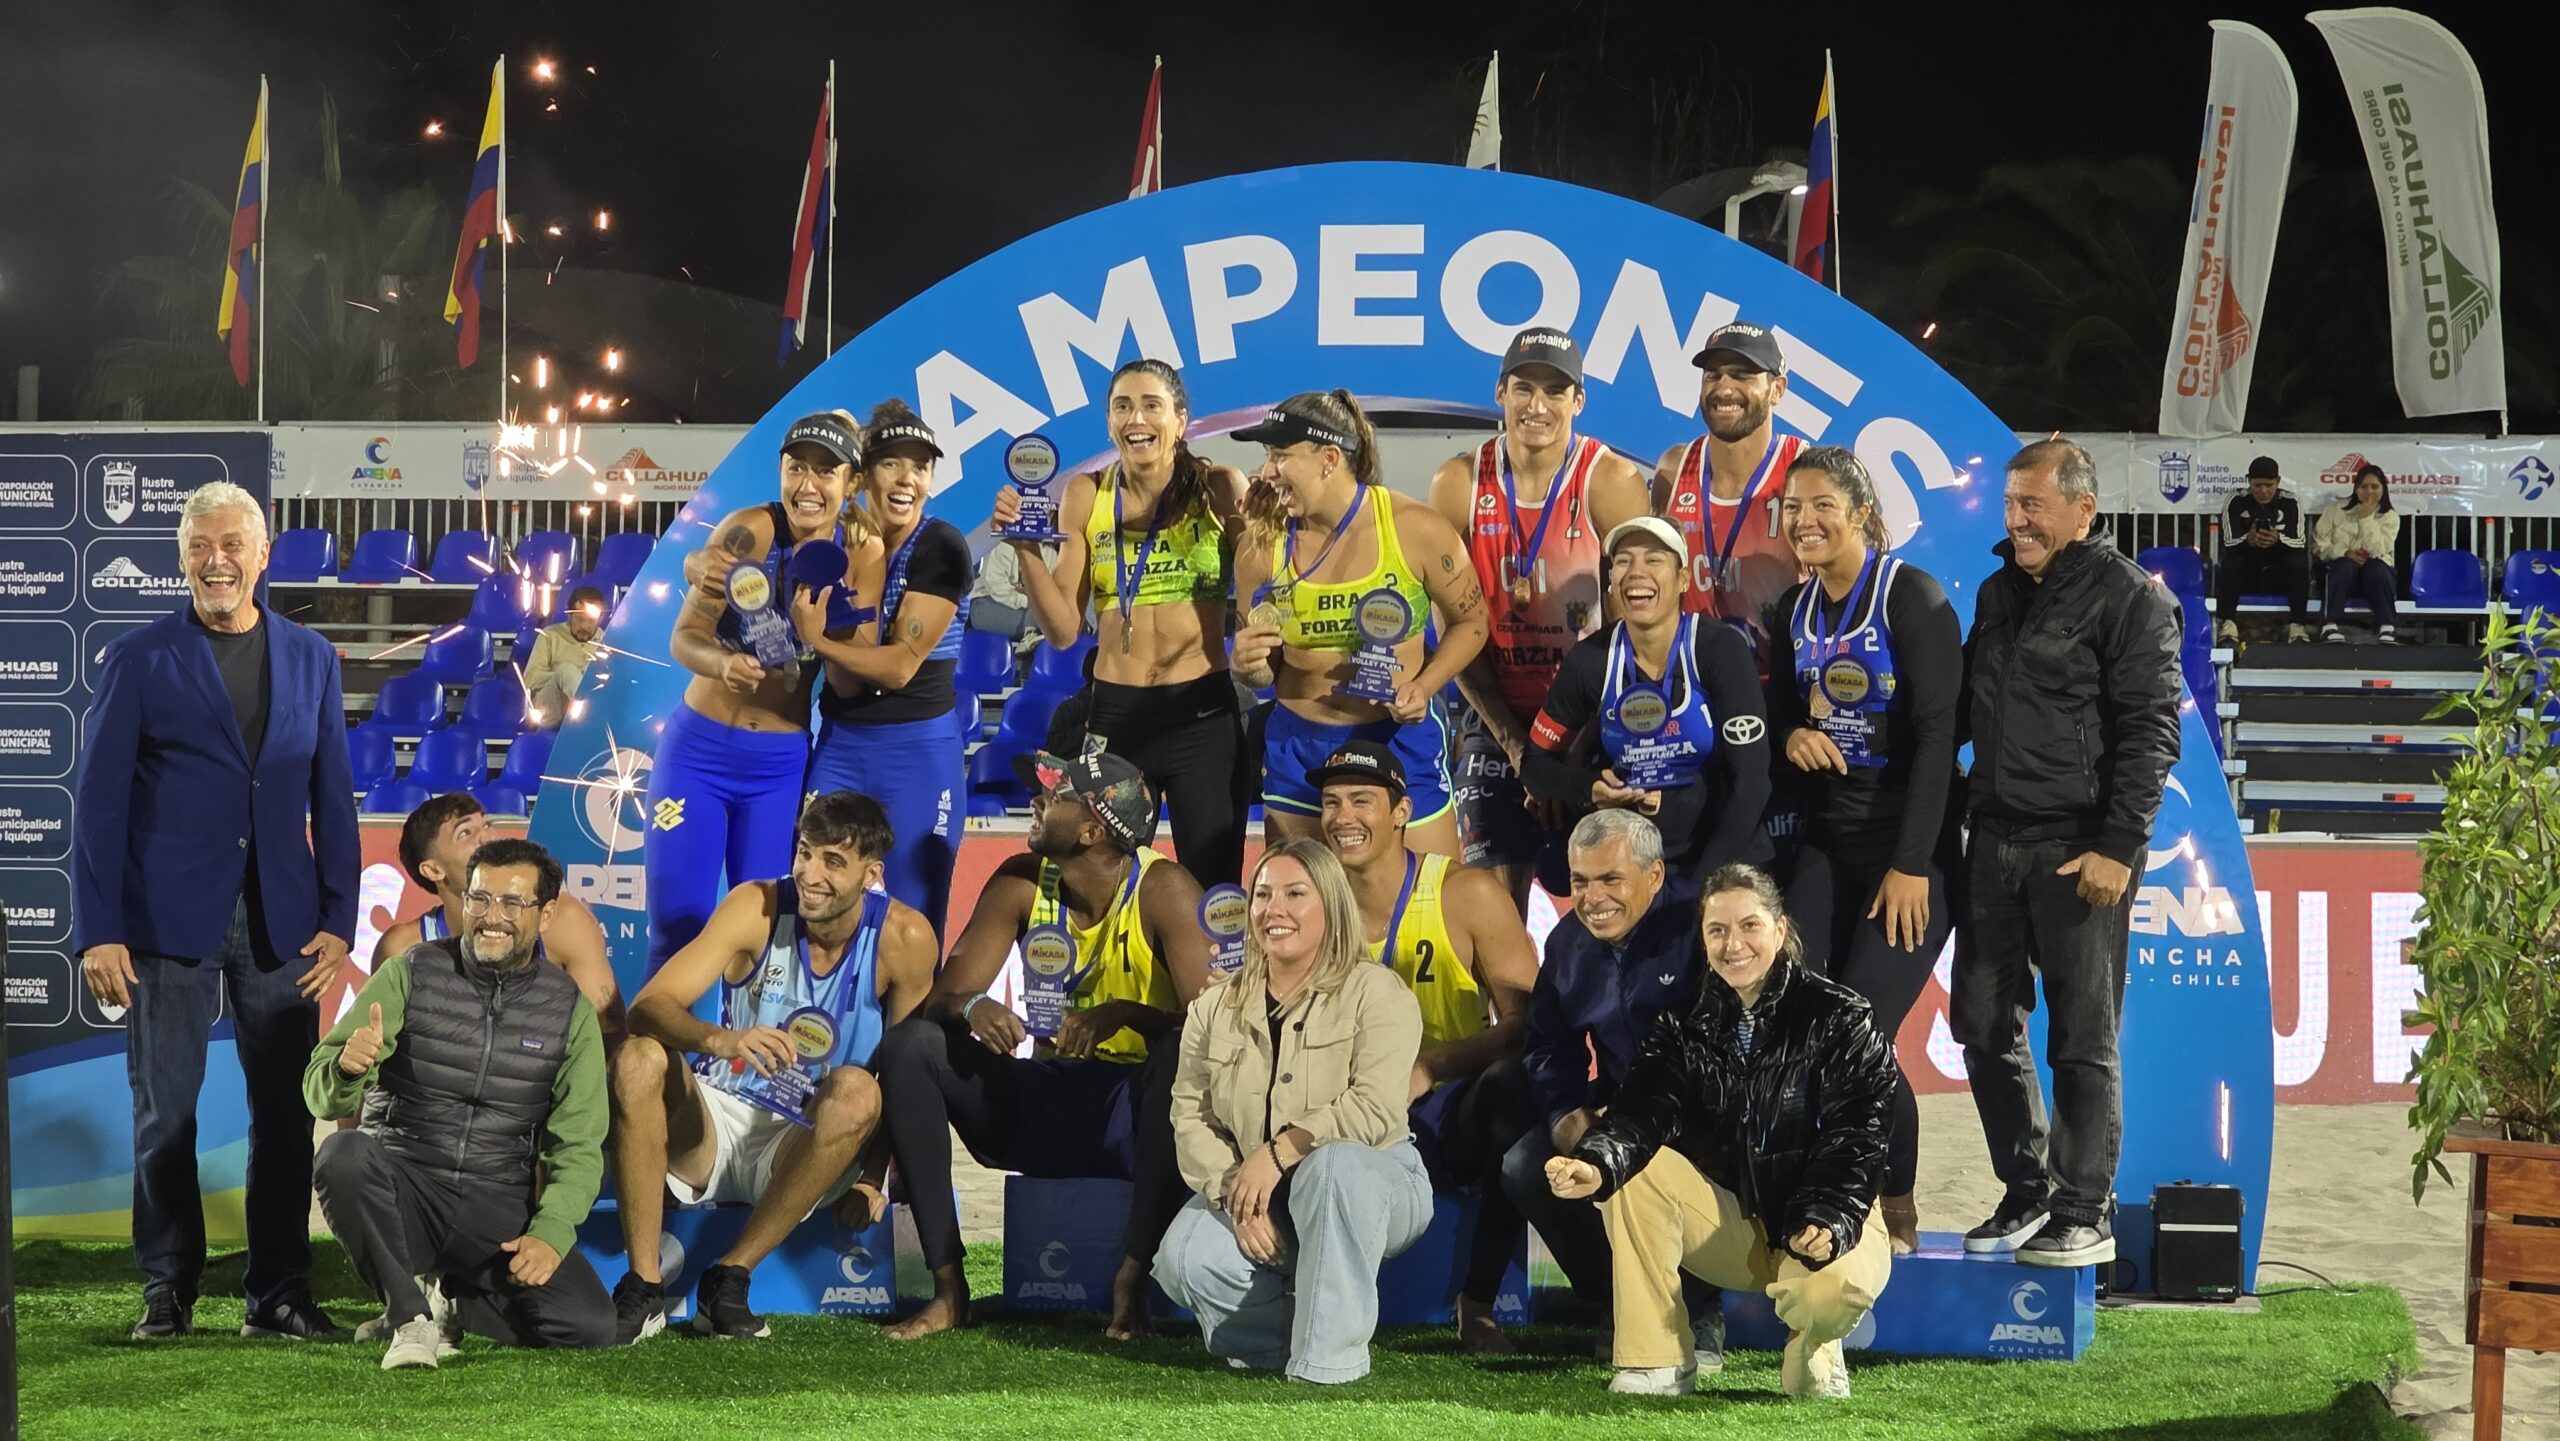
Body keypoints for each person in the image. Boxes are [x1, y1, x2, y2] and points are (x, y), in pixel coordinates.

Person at [73, 479, 357, 1341]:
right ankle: (168, 1286)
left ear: (264, 555)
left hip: (285, 925)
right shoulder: (140, 657)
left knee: (284, 1114)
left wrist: (340, 919)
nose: (217, 560)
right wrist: (101, 930)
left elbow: (332, 797)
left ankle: (277, 1292)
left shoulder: (313, 657)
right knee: (167, 1113)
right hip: (163, 927)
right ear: (183, 558)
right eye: (200, 545)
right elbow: (98, 806)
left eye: (233, 544)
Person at [873, 749, 1212, 1340]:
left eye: (1054, 796)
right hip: (1047, 1102)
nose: (1035, 802)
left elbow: (1215, 1029)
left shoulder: (1167, 889)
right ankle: (950, 1291)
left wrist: (1127, 1015)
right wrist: (975, 1006)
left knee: (1180, 1058)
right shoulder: (1021, 881)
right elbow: (943, 997)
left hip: (1138, 1119)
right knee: (913, 1045)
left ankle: (1132, 1280)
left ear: (1092, 830)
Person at [1546, 864, 1896, 1400]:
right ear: (1703, 939)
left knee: (1832, 1294)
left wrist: (1827, 1215)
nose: (1734, 944)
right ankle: (1657, 1359)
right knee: (1635, 1176)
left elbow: (1858, 1136)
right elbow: (1641, 1110)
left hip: (1826, 1220)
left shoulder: (1843, 1017)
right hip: (1734, 1228)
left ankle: (1814, 1346)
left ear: (1780, 930)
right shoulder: (1681, 1022)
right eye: (1717, 930)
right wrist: (1595, 1163)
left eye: (1749, 926)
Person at [1956, 437, 2181, 1268]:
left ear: (2083, 509)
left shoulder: (2131, 600)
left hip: (2078, 850)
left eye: (2033, 506)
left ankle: (2085, 1207)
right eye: (2011, 505)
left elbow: (2153, 732)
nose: (2017, 521)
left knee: (2082, 1038)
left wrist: (2117, 848)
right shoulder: (1995, 592)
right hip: (1994, 842)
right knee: (1980, 1024)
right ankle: (2027, 1192)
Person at [605, 792, 939, 1342]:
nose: (810, 873)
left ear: (871, 875)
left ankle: (730, 1278)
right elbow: (648, 1007)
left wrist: (875, 1178)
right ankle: (643, 1286)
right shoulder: (754, 906)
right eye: (805, 852)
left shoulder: (903, 938)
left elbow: (908, 1075)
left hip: (808, 1140)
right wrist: (721, 1038)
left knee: (857, 1089)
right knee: (639, 1056)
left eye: (833, 862)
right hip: (717, 1121)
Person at [307, 839, 615, 1368]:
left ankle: (450, 1300)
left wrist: (550, 1232)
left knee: (590, 1326)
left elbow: (580, 1144)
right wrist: (345, 1069)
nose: (492, 918)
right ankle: (408, 1317)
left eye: (512, 904)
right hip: (408, 1188)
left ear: (546, 915)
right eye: (480, 899)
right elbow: (318, 1086)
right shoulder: (410, 972)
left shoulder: (569, 1010)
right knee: (343, 1155)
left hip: (495, 1208)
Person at [1765, 446, 1965, 1253]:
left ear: (1860, 514)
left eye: (1820, 506)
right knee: (1805, 1028)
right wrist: (1794, 734)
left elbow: (1938, 735)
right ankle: (1819, 1203)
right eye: (1792, 508)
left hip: (1906, 855)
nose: (1804, 521)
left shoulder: (1911, 596)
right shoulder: (1792, 609)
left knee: (1856, 1036)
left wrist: (1913, 863)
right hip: (1824, 847)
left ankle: (1900, 1205)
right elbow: (1779, 713)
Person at [1155, 841, 1430, 1385]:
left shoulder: (1378, 992)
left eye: (1295, 894)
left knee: (1333, 1170)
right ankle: (1279, 1343)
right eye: (1262, 895)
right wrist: (1235, 1191)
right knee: (1184, 1257)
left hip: (1375, 1178)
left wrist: (1279, 1153)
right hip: (1261, 1188)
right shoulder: (1213, 1006)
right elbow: (1190, 1115)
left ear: (1330, 905)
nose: (1272, 910)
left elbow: (1375, 1106)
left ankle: (1327, 1369)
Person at [1312, 741, 1540, 1353]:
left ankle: (1479, 1305)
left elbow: (1527, 1026)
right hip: (1336, 1110)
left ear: (1402, 811)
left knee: (1512, 1090)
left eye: (1362, 800)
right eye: (1331, 803)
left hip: (1441, 1108)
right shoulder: (1305, 900)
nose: (1342, 817)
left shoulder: (1465, 894)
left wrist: (1431, 1064)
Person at [993, 359, 1253, 887]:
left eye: (1152, 405)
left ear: (1181, 420)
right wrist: (1024, 549)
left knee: (1212, 887)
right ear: (1109, 421)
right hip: (1116, 717)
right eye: (1123, 406)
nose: (1137, 418)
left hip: (1200, 716)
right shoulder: (1087, 494)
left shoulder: (1221, 488)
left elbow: (1260, 589)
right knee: (1101, 883)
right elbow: (1065, 630)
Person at [1429, 328, 1650, 904]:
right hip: (1494, 713)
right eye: (1524, 388)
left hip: (1590, 719)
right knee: (1491, 902)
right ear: (1500, 392)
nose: (1537, 406)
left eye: (1555, 392)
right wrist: (1519, 748)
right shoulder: (1456, 483)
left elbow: (1634, 635)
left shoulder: (1611, 481)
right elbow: (1455, 630)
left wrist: (1562, 758)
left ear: (1579, 401)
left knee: (1606, 898)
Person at [1497, 810, 1722, 1366]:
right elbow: (1549, 1044)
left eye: (1610, 880)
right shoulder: (1568, 943)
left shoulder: (1704, 926)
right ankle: (1616, 1299)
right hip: (1619, 1100)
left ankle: (1697, 1307)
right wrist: (1566, 1115)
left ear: (1654, 876)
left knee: (1674, 1159)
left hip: (1702, 1109)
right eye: (1579, 882)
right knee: (1525, 1167)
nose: (1593, 898)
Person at [649, 411, 868, 972]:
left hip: (777, 769)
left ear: (852, 483)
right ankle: (659, 1059)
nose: (808, 486)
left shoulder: (861, 551)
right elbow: (684, 638)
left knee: (767, 937)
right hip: (698, 755)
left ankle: (738, 1059)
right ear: (780, 471)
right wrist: (722, 663)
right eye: (797, 468)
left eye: (826, 473)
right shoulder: (752, 530)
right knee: (679, 927)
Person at [1230, 390, 1488, 857]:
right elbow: (1262, 667)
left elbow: (1472, 622)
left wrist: (1425, 686)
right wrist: (1249, 667)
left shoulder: (1416, 528)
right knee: (1308, 913)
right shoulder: (1260, 545)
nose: (1268, 471)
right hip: (1301, 745)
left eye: (1281, 456)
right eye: (1268, 456)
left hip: (1397, 739)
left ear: (1329, 458)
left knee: (1432, 901)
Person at [798, 399, 972, 938]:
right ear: (863, 473)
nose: (907, 479)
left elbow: (899, 669)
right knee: (816, 900)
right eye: (892, 462)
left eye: (920, 467)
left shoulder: (942, 544)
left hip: (918, 752)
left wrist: (816, 640)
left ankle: (915, 1027)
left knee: (916, 919)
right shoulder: (837, 540)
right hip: (843, 743)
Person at [1522, 516, 1772, 880]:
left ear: (1683, 579)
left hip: (1722, 858)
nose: (1636, 572)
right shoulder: (1592, 659)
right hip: (1636, 867)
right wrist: (1588, 787)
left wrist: (1710, 884)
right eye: (1623, 561)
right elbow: (1534, 764)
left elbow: (1752, 781)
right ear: (1610, 580)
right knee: (1566, 934)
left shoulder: (1718, 648)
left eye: (1654, 559)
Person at [376, 791, 624, 1047]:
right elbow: (381, 1047)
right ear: (433, 870)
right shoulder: (403, 949)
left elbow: (604, 1033)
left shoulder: (563, 919)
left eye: (486, 825)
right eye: (466, 833)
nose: (487, 836)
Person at [1651, 321, 1808, 659]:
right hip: (1693, 686)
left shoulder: (1806, 472)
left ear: (1777, 389)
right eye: (1713, 375)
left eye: (1741, 375)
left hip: (1779, 689)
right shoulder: (1673, 467)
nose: (1723, 388)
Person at [2214, 455, 2311, 644]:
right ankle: (2228, 623)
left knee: (2298, 564)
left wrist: (2278, 540)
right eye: (2257, 485)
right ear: (2249, 481)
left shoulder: (2291, 502)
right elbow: (2228, 542)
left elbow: (2299, 542)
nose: (2264, 491)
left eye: (2269, 485)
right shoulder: (2235, 500)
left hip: (2278, 572)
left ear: (2278, 481)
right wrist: (2248, 541)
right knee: (2230, 563)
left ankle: (2297, 625)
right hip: (2247, 572)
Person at [2314, 463, 2400, 644]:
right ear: (2356, 488)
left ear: (2383, 489)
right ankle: (2329, 625)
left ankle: (2387, 627)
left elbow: (2379, 550)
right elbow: (2319, 545)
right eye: (2364, 487)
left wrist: (2367, 518)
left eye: (2375, 487)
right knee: (2344, 566)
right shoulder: (2335, 510)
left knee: (2378, 568)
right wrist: (2345, 553)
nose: (2369, 492)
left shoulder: (2390, 516)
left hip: (2373, 577)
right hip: (2343, 576)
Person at [521, 585, 607, 726]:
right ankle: (591, 718)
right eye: (580, 619)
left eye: (591, 621)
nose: (585, 626)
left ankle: (588, 716)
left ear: (600, 618)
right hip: (551, 708)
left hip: (593, 702)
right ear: (569, 615)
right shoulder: (549, 635)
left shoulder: (606, 641)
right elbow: (530, 678)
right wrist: (561, 678)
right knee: (566, 671)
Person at [964, 538, 1056, 647]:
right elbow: (996, 587)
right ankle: (1033, 640)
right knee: (1048, 621)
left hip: (1025, 608)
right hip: (986, 603)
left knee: (1052, 617)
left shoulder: (1050, 551)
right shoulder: (1004, 543)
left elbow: (1046, 593)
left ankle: (1030, 647)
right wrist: (1030, 601)